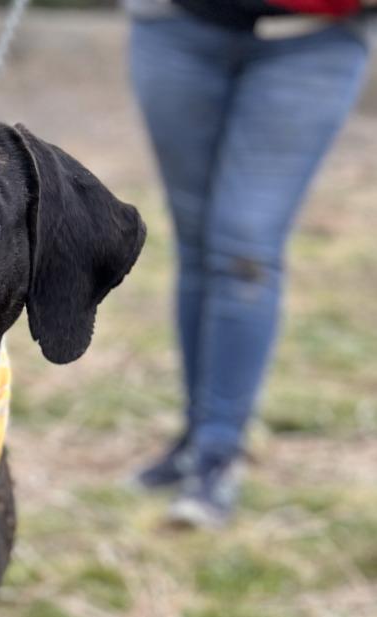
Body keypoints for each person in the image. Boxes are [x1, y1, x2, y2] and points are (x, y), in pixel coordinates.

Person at [124, 0, 373, 527]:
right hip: (177, 27)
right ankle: (196, 438)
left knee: (244, 246)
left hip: (313, 37)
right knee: (196, 243)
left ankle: (220, 451)